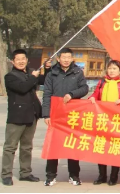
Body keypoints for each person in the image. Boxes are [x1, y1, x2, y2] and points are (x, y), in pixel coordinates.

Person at [42, 47, 88, 187]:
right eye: (64, 57)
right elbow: (47, 94)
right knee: (54, 145)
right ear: (58, 59)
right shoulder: (52, 73)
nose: (66, 60)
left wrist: (72, 94)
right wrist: (46, 114)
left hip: (72, 114)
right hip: (56, 114)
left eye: (69, 57)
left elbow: (84, 88)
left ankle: (74, 175)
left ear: (72, 58)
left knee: (72, 144)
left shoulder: (77, 72)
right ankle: (50, 176)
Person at [1, 49, 43, 186]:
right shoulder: (10, 77)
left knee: (26, 147)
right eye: (18, 59)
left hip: (31, 116)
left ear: (27, 60)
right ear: (13, 61)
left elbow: (44, 80)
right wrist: (33, 77)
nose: (21, 61)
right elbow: (23, 88)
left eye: (23, 59)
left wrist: (47, 69)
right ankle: (6, 175)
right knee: (10, 147)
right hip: (17, 117)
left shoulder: (30, 73)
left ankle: (25, 173)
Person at [88, 60, 120, 186]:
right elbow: (95, 94)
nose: (112, 71)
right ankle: (102, 175)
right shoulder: (102, 82)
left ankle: (114, 176)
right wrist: (92, 97)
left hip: (117, 120)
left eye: (114, 68)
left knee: (115, 147)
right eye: (110, 68)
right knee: (101, 146)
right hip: (103, 120)